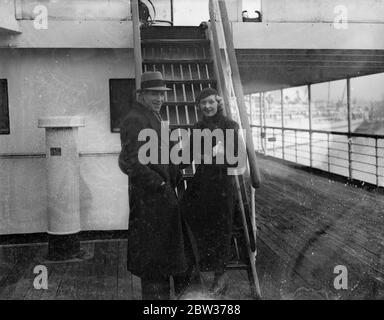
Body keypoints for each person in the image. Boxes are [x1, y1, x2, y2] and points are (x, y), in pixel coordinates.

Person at [118, 71, 194, 300]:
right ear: (141, 95)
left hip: (162, 199)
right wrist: (160, 183)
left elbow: (161, 155)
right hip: (151, 201)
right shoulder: (135, 119)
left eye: (161, 94)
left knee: (164, 259)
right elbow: (131, 162)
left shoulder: (154, 117)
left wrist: (177, 172)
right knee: (153, 264)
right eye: (153, 94)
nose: (159, 98)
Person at [179, 87, 244, 296]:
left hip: (223, 186)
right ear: (199, 107)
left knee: (221, 226)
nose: (207, 106)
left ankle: (220, 274)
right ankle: (193, 269)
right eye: (203, 103)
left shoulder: (230, 126)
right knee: (181, 213)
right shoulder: (197, 128)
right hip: (201, 184)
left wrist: (216, 153)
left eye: (210, 102)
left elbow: (236, 159)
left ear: (218, 104)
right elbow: (186, 157)